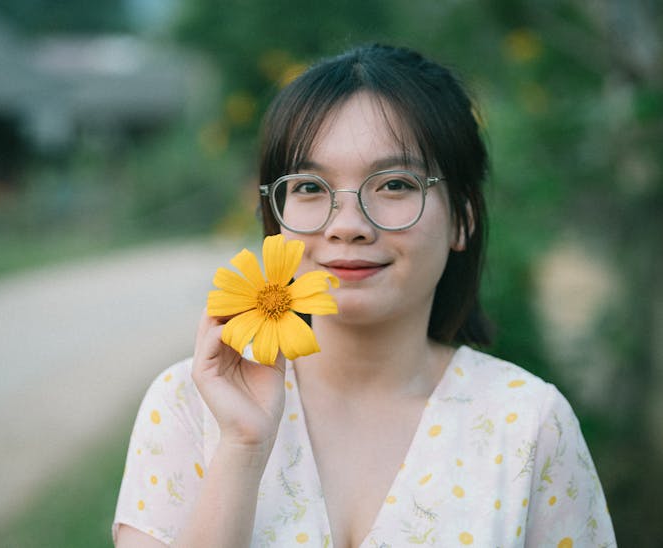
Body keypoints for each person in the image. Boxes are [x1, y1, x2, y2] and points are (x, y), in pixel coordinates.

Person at [113, 44, 616, 547]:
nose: (348, 226)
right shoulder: (189, 406)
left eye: (394, 183)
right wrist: (242, 449)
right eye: (309, 187)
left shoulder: (528, 426)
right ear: (276, 220)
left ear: (463, 216)